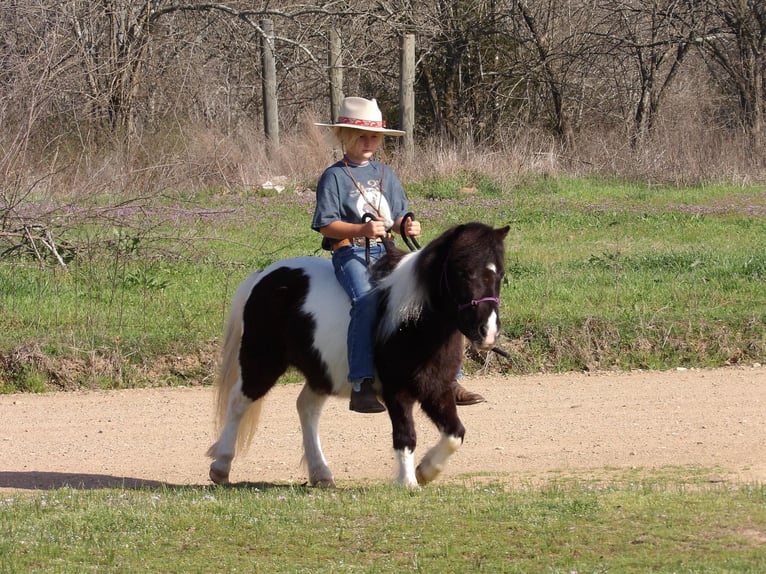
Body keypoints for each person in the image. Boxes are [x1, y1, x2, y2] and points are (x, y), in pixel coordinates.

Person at [312, 96, 484, 413]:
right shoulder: (334, 177)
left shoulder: (385, 174)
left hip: (388, 249)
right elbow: (325, 226)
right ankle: (361, 383)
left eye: (374, 136)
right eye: (361, 136)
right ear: (344, 136)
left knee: (438, 292)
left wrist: (407, 225)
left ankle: (450, 379)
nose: (368, 142)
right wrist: (360, 231)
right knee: (365, 301)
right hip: (350, 253)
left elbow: (398, 215)